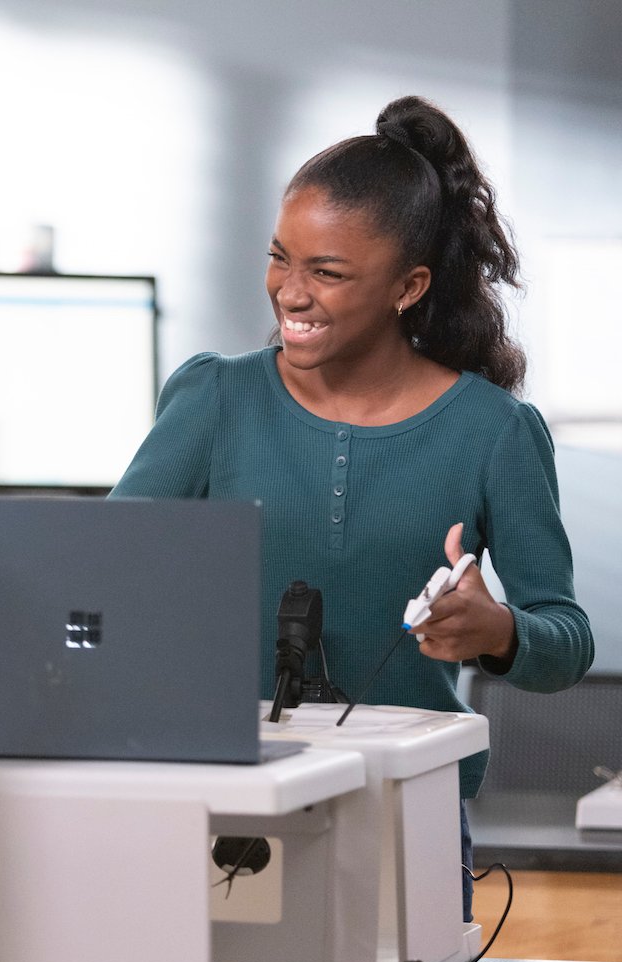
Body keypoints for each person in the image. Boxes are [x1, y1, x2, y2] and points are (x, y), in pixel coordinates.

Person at [112, 95, 594, 919]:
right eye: (279, 259)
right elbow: (99, 576)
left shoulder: (495, 432)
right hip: (222, 801)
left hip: (411, 812)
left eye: (327, 273)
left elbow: (566, 640)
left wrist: (501, 631)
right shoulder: (214, 398)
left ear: (409, 286)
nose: (290, 294)